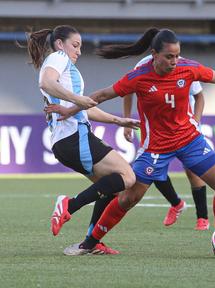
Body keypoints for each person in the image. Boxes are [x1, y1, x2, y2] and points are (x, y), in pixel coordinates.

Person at [46, 27, 215, 255]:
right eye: (169, 56)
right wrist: (70, 110)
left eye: (177, 55)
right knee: (128, 198)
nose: (174, 61)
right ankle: (89, 243)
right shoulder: (140, 75)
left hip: (190, 140)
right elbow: (101, 95)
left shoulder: (187, 68)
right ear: (154, 54)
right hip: (156, 148)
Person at [25, 25, 140, 255]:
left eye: (80, 47)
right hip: (74, 137)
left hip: (66, 142)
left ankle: (90, 242)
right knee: (127, 177)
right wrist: (78, 98)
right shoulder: (58, 58)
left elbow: (83, 110)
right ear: (60, 44)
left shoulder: (65, 70)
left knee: (111, 188)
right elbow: (46, 82)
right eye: (75, 45)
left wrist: (118, 121)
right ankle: (69, 204)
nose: (78, 51)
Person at [123, 54, 210, 230]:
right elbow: (127, 91)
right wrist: (126, 121)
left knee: (192, 169)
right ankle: (176, 204)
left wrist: (196, 121)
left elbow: (199, 96)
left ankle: (202, 218)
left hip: (184, 126)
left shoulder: (183, 65)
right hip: (156, 128)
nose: (173, 57)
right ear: (156, 52)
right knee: (153, 169)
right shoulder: (142, 66)